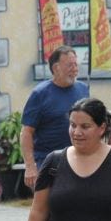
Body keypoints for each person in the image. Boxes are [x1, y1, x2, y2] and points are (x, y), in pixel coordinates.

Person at [20, 46, 90, 176]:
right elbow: (27, 132)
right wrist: (30, 167)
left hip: (79, 162)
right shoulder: (40, 94)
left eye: (76, 64)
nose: (75, 69)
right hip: (48, 163)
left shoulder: (83, 89)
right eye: (70, 65)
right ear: (56, 68)